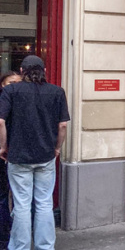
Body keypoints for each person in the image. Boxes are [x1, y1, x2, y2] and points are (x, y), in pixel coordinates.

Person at [0, 56, 70, 250]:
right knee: (44, 203)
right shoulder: (57, 92)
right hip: (45, 156)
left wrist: (3, 147)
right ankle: (45, 246)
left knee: (21, 204)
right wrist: (57, 148)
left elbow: (0, 121)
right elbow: (62, 125)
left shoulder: (11, 90)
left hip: (18, 156)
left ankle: (19, 247)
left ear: (22, 71)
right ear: (44, 70)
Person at [0, 72, 22, 249]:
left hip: (18, 155)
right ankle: (4, 235)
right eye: (10, 83)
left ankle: (16, 235)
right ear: (2, 85)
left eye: (17, 83)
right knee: (2, 196)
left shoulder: (24, 101)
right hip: (3, 154)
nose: (14, 86)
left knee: (18, 198)